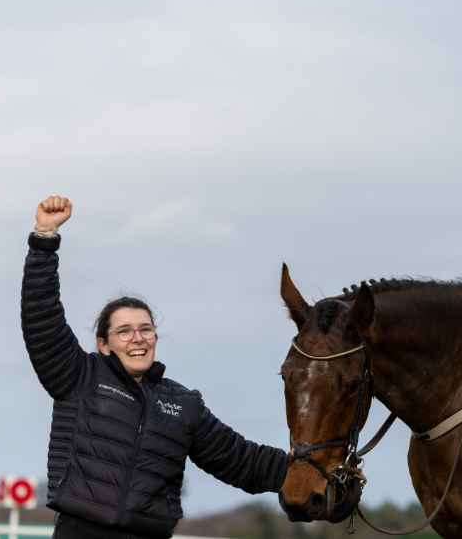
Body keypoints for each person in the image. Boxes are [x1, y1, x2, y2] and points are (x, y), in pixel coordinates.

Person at [21, 195, 290, 539]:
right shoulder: (78, 376)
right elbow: (41, 317)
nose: (138, 338)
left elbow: (242, 460)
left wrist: (314, 468)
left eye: (145, 329)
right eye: (124, 331)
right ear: (103, 344)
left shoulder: (184, 404)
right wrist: (44, 239)